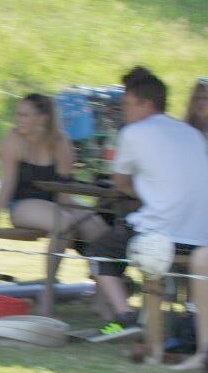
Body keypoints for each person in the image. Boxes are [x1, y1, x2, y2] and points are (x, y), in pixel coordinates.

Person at [89, 66, 208, 350]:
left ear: (146, 104)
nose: (124, 111)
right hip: (201, 236)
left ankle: (125, 317)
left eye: (127, 104)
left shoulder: (134, 132)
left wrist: (145, 193)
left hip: (162, 234)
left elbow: (120, 182)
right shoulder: (191, 133)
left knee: (100, 251)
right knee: (120, 239)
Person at [0, 93, 110, 293]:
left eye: (25, 115)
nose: (18, 120)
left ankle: (102, 293)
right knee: (63, 223)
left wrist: (72, 213)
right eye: (18, 114)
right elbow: (7, 181)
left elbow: (66, 185)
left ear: (42, 118)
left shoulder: (60, 141)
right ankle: (48, 289)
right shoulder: (13, 139)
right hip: (23, 204)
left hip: (56, 201)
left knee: (99, 229)